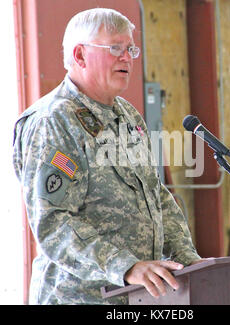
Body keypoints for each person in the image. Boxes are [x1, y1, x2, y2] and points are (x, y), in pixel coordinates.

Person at [13, 8, 202, 305]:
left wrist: (188, 261)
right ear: (80, 56)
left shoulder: (127, 114)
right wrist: (125, 266)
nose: (126, 57)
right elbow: (54, 224)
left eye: (130, 49)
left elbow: (156, 195)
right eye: (115, 48)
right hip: (79, 299)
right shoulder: (52, 121)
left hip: (135, 300)